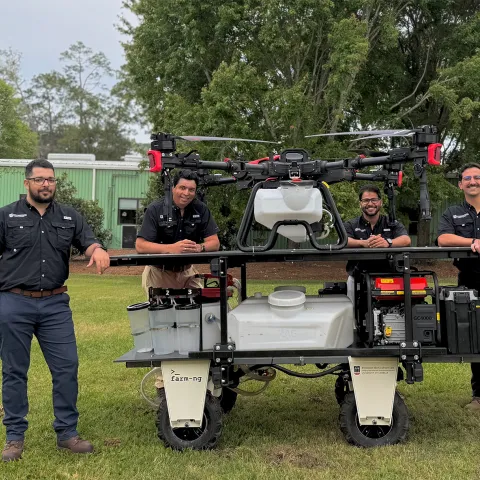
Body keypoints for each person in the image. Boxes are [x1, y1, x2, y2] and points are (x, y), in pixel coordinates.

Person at [0, 159, 110, 462]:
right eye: (39, 180)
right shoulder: (6, 216)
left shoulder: (69, 216)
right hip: (14, 302)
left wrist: (97, 249)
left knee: (66, 368)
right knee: (14, 372)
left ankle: (67, 433)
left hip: (54, 305)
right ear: (27, 183)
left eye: (50, 179)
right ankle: (14, 438)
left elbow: (88, 242)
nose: (46, 184)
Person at [437, 162, 480, 411]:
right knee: (476, 339)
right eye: (468, 178)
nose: (473, 182)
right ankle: (479, 397)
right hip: (471, 283)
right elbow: (443, 238)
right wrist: (473, 241)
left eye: (477, 177)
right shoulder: (452, 213)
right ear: (460, 184)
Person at [136, 169, 220, 294]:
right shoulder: (155, 209)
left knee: (203, 308)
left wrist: (199, 247)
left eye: (191, 190)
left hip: (188, 272)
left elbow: (215, 243)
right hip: (159, 273)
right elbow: (140, 245)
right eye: (182, 188)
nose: (186, 193)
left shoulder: (201, 209)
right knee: (164, 312)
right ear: (173, 188)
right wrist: (171, 248)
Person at [344, 184, 411, 276]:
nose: (370, 204)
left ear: (380, 202)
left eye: (374, 200)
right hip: (357, 276)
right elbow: (343, 240)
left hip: (389, 276)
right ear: (360, 203)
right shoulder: (351, 224)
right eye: (366, 200)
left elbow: (406, 239)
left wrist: (387, 243)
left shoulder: (391, 222)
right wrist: (363, 243)